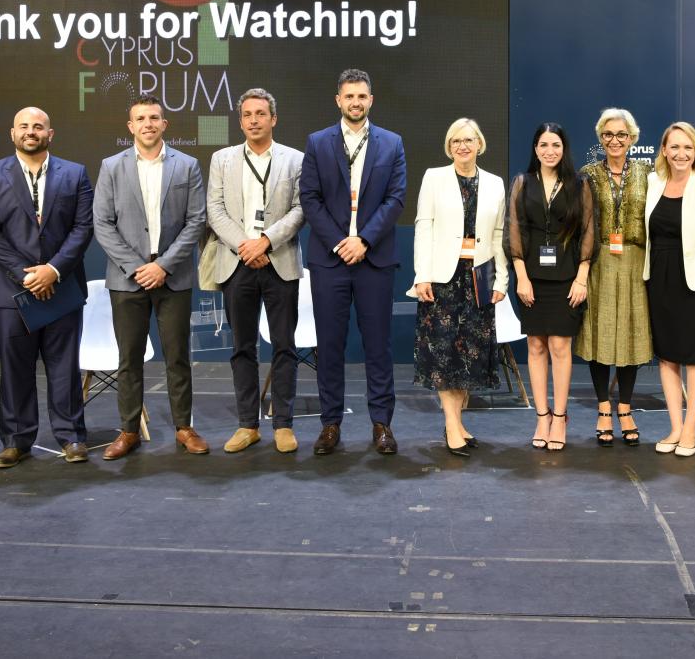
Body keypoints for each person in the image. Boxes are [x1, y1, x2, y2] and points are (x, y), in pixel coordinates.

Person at [0, 106, 96, 468]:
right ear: (12, 134)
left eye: (38, 126)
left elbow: (83, 228)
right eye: (24, 126)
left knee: (65, 367)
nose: (31, 131)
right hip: (11, 291)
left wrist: (53, 270)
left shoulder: (74, 173)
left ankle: (71, 436)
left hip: (62, 287)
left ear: (49, 134)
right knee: (15, 368)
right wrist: (25, 274)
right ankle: (16, 440)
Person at [92, 95, 208, 460]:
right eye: (141, 118)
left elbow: (196, 221)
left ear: (164, 124)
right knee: (129, 359)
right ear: (131, 126)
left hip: (173, 277)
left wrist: (164, 265)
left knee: (178, 357)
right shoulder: (111, 166)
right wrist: (136, 267)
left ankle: (184, 428)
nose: (148, 124)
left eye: (154, 118)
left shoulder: (187, 165)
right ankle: (129, 431)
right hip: (128, 279)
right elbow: (102, 223)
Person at [300, 68, 408, 456]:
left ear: (371, 100)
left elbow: (395, 198)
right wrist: (340, 243)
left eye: (362, 96)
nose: (356, 102)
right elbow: (309, 198)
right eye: (349, 96)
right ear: (338, 100)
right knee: (329, 347)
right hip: (330, 261)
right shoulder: (318, 143)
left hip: (373, 259)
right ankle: (330, 424)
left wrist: (363, 240)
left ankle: (382, 424)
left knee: (378, 346)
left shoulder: (392, 143)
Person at [205, 88, 305, 455]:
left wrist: (265, 242)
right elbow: (215, 210)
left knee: (284, 346)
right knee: (242, 348)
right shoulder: (222, 159)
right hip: (237, 263)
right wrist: (245, 246)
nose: (253, 120)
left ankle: (283, 425)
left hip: (279, 260)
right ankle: (248, 425)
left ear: (273, 119)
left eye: (260, 114)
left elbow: (300, 209)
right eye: (247, 114)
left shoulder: (296, 159)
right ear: (241, 121)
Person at [409, 118, 507, 457]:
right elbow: (423, 227)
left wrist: (501, 279)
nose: (462, 146)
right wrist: (422, 275)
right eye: (455, 141)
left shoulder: (495, 183)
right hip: (442, 279)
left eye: (468, 140)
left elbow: (498, 234)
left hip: (478, 279)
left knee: (469, 356)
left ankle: (458, 422)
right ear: (449, 147)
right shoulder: (434, 178)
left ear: (479, 144)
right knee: (444, 354)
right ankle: (452, 424)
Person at [508, 122, 594, 451]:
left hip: (567, 278)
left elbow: (589, 230)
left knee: (560, 347)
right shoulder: (522, 182)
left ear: (564, 149)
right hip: (531, 279)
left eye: (555, 145)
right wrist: (521, 276)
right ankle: (541, 416)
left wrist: (582, 277)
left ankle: (560, 417)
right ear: (535, 149)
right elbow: (514, 230)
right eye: (543, 145)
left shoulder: (579, 184)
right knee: (535, 347)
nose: (549, 151)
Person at [643, 122, 695, 457]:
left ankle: (690, 430)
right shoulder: (652, 183)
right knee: (667, 356)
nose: (681, 153)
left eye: (687, 147)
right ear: (664, 150)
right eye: (674, 147)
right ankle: (675, 427)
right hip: (658, 278)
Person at [577, 108, 653, 446]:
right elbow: (581, 224)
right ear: (601, 138)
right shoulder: (588, 174)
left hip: (636, 260)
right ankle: (603, 408)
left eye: (621, 134)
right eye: (608, 134)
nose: (615, 140)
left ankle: (626, 407)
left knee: (631, 337)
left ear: (632, 138)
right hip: (600, 261)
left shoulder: (648, 174)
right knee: (600, 335)